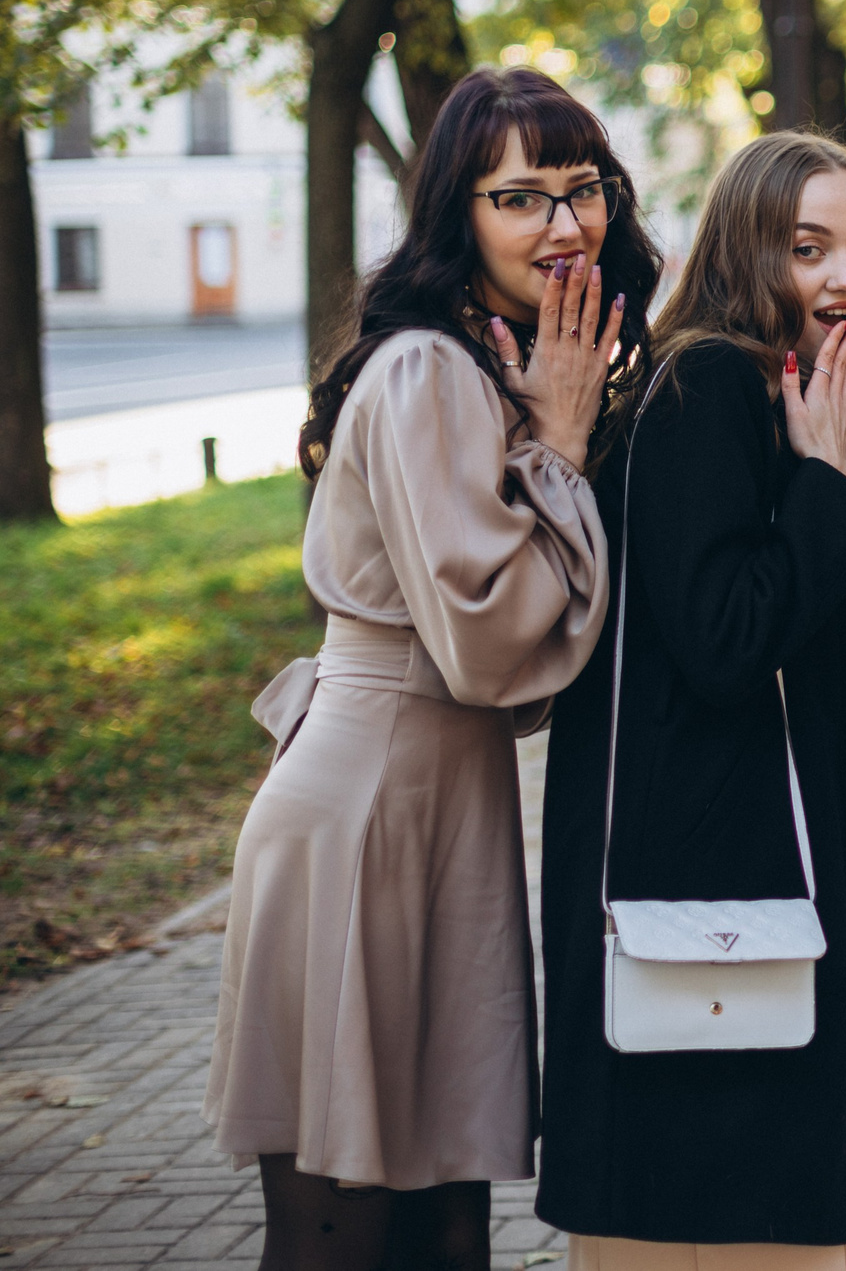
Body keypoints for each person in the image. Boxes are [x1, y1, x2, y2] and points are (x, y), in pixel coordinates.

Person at [205, 68, 655, 1271]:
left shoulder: (485, 358)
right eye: (522, 200)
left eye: (583, 191)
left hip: (434, 807)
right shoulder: (427, 373)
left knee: (444, 1226)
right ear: (461, 215)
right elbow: (494, 644)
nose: (565, 229)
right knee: (341, 1234)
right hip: (369, 819)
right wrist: (559, 444)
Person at [536, 133, 846, 1268]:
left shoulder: (784, 386)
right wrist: (817, 481)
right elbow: (721, 641)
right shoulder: (708, 384)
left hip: (759, 864)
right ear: (748, 252)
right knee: (732, 1214)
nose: (843, 278)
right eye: (806, 250)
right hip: (719, 872)